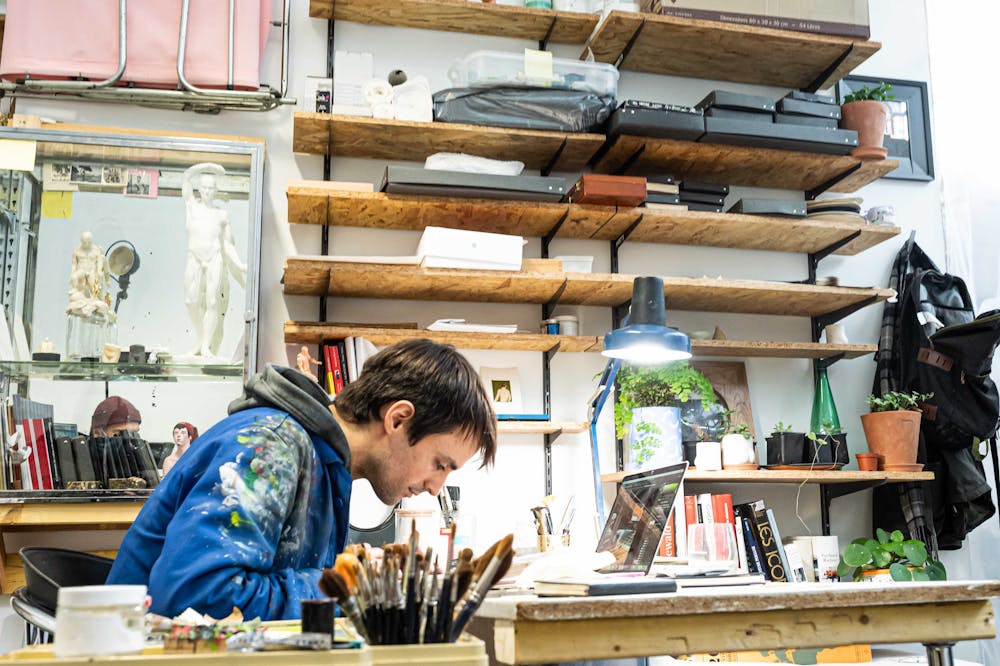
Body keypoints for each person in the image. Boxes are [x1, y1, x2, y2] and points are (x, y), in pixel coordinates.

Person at [107, 339, 497, 621]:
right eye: (439, 464)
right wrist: (345, 587)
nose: (435, 487)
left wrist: (350, 572)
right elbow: (196, 597)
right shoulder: (271, 444)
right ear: (397, 419)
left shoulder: (323, 464)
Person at [182, 162, 247, 358]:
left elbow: (228, 245)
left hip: (214, 258)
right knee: (190, 301)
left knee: (212, 303)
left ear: (215, 190)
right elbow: (186, 177)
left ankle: (206, 347)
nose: (208, 191)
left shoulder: (221, 214)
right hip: (194, 257)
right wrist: (208, 166)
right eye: (204, 187)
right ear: (199, 189)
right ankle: (200, 341)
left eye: (211, 188)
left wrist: (239, 264)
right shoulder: (192, 206)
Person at [66, 231, 112, 320]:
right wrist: (72, 274)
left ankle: (96, 300)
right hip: (81, 270)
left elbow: (100, 262)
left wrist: (99, 271)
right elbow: (74, 264)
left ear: (91, 241)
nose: (87, 244)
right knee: (75, 277)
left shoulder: (96, 250)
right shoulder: (76, 251)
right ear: (81, 241)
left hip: (91, 271)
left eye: (89, 242)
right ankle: (78, 295)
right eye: (84, 242)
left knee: (94, 282)